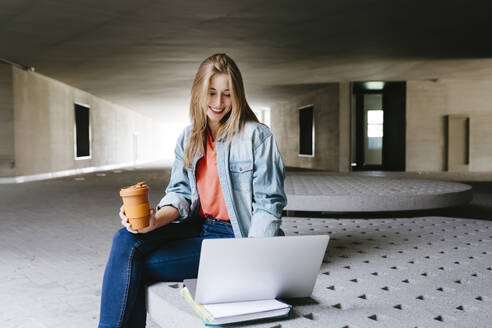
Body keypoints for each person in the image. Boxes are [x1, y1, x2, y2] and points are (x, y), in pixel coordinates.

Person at [98, 53, 287, 328]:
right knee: (124, 239)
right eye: (211, 93)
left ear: (238, 96)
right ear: (199, 92)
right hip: (197, 224)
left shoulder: (257, 136)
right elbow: (180, 192)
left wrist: (254, 260)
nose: (218, 102)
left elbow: (268, 205)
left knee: (131, 267)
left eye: (227, 94)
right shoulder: (188, 137)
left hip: (234, 236)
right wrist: (154, 220)